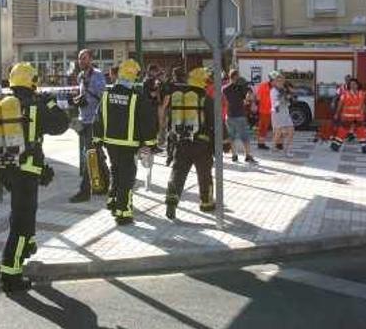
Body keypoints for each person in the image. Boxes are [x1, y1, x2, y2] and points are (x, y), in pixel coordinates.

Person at [0, 63, 69, 292]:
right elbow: (62, 125)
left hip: (8, 171)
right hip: (27, 172)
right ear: (32, 81)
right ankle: (11, 275)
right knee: (21, 223)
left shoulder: (4, 105)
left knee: (21, 214)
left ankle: (28, 245)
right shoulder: (37, 105)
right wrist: (50, 102)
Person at [93, 59, 158, 225]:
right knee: (127, 178)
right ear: (134, 77)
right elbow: (147, 122)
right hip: (129, 145)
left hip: (111, 144)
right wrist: (150, 144)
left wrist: (98, 140)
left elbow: (98, 119)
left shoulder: (107, 95)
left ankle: (113, 201)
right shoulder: (136, 97)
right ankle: (124, 212)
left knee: (115, 171)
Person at [166, 67, 216, 219]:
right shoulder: (206, 99)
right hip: (202, 145)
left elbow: (171, 123)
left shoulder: (179, 98)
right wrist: (224, 143)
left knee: (178, 173)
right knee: (204, 175)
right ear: (202, 82)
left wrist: (170, 147)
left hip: (181, 143)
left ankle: (171, 202)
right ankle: (206, 203)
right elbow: (215, 122)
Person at [70, 49, 106, 203]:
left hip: (93, 121)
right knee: (96, 153)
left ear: (91, 59)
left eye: (84, 58)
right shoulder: (80, 76)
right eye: (79, 59)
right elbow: (84, 96)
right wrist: (77, 98)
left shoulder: (97, 75)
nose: (81, 61)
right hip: (83, 120)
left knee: (89, 154)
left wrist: (87, 91)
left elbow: (101, 95)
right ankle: (105, 184)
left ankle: (85, 191)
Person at [223, 70, 257, 164]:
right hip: (240, 115)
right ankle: (248, 156)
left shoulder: (224, 89)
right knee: (245, 137)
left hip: (229, 115)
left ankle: (234, 155)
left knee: (231, 137)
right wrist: (249, 92)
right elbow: (248, 99)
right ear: (235, 76)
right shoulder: (241, 88)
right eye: (238, 76)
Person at [330, 78, 366, 154]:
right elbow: (340, 105)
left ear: (358, 85)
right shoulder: (345, 94)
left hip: (358, 117)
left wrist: (365, 110)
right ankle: (335, 145)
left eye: (354, 84)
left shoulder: (362, 93)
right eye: (351, 84)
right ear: (349, 86)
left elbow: (362, 104)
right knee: (342, 132)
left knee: (361, 132)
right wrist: (336, 114)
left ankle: (365, 147)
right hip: (347, 117)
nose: (353, 86)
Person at [271, 74, 295, 157]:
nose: (281, 83)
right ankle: (273, 147)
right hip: (277, 113)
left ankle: (287, 150)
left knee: (291, 130)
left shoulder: (283, 90)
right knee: (278, 133)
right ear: (276, 82)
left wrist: (289, 97)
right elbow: (275, 104)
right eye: (279, 81)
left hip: (285, 112)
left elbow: (288, 102)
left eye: (282, 81)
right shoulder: (273, 91)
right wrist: (284, 99)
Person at [255, 72, 277, 150]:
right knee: (263, 128)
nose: (276, 82)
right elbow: (258, 97)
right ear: (272, 80)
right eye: (275, 81)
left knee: (268, 127)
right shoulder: (263, 86)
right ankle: (260, 144)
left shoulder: (274, 88)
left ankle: (262, 143)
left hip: (271, 111)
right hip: (263, 111)